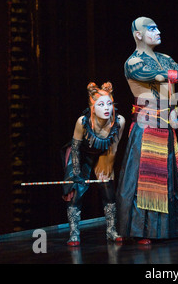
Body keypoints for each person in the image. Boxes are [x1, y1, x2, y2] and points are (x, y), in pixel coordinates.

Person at [116, 17, 178, 244]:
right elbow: (161, 76)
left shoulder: (165, 58)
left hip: (166, 124)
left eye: (158, 27)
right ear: (138, 35)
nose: (158, 31)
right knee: (146, 180)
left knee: (171, 177)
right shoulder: (133, 62)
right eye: (151, 28)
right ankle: (143, 231)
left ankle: (176, 229)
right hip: (146, 124)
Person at [62, 82, 125, 246]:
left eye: (109, 103)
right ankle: (74, 233)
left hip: (103, 154)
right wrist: (76, 174)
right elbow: (75, 149)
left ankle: (111, 230)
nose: (106, 108)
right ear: (92, 107)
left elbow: (114, 147)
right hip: (81, 155)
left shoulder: (118, 121)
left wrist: (108, 167)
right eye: (101, 104)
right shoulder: (82, 122)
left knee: (108, 189)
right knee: (76, 192)